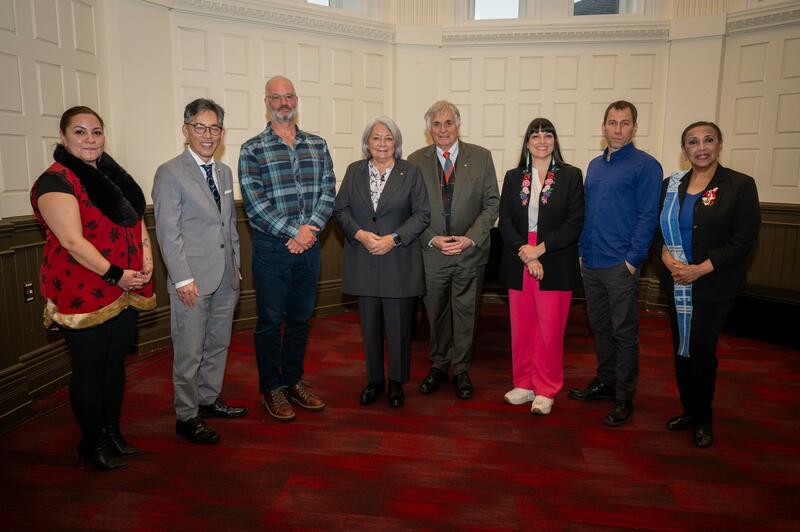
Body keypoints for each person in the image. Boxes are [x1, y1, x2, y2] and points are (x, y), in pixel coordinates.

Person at [30, 106, 156, 470]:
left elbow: (135, 220)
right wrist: (117, 274)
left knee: (115, 363)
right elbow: (72, 242)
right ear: (63, 137)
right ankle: (93, 442)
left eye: (96, 132)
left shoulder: (111, 174)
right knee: (90, 368)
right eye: (80, 132)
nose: (90, 139)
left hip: (127, 285)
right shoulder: (55, 181)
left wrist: (146, 255)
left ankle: (112, 432)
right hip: (83, 289)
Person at [656, 121, 760, 448]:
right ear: (684, 149)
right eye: (693, 142)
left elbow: (744, 239)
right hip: (677, 282)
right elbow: (658, 229)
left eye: (708, 140)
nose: (701, 147)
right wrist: (665, 256)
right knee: (682, 348)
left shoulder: (739, 185)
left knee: (701, 350)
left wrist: (699, 270)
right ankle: (689, 409)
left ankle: (703, 417)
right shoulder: (671, 185)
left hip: (712, 283)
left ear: (719, 144)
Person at [239, 75, 335, 421]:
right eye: (276, 97)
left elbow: (328, 191)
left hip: (310, 247)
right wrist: (296, 232)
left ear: (296, 101)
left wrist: (308, 232)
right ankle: (271, 388)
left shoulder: (318, 145)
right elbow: (256, 205)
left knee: (300, 319)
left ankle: (293, 381)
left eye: (289, 96)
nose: (284, 103)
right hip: (271, 249)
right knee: (269, 321)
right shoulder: (252, 149)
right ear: (266, 103)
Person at [152, 99, 247, 445]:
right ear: (186, 130)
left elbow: (228, 224)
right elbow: (169, 232)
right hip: (191, 281)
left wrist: (236, 266)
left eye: (214, 128)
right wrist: (182, 278)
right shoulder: (170, 172)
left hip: (225, 277)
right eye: (200, 127)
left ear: (222, 132)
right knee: (189, 351)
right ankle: (187, 415)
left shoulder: (223, 172)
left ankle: (207, 399)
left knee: (218, 343)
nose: (208, 135)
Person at [568, 100, 662, 427]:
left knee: (624, 332)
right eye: (612, 122)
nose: (618, 129)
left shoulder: (646, 165)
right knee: (600, 327)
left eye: (624, 123)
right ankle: (606, 381)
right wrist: (581, 251)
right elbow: (586, 211)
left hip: (621, 264)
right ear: (604, 126)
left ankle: (624, 395)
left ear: (635, 127)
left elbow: (648, 216)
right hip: (591, 261)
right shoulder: (595, 165)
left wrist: (633, 260)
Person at [334, 117, 430, 408]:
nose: (382, 144)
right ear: (368, 142)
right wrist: (360, 234)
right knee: (370, 328)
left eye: (388, 138)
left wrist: (394, 239)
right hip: (364, 260)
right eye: (376, 138)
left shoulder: (410, 172)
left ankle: (397, 382)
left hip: (398, 262)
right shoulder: (354, 171)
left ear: (396, 143)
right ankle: (374, 380)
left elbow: (422, 214)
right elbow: (341, 210)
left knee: (399, 329)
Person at [408, 101, 500, 400]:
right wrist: (431, 238)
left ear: (458, 125)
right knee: (435, 312)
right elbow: (409, 208)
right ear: (429, 129)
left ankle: (461, 369)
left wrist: (470, 239)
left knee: (466, 313)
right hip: (432, 252)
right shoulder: (415, 160)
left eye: (448, 123)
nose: (443, 129)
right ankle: (438, 365)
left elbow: (491, 204)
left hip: (469, 252)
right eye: (436, 124)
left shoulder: (481, 157)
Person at [498, 118, 584, 415]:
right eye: (535, 136)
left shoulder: (571, 175)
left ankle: (546, 388)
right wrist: (527, 254)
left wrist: (540, 250)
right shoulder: (513, 177)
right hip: (519, 256)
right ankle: (524, 383)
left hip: (555, 258)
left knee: (550, 329)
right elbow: (505, 221)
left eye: (548, 135)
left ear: (555, 140)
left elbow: (575, 222)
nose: (542, 140)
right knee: (522, 327)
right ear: (527, 143)